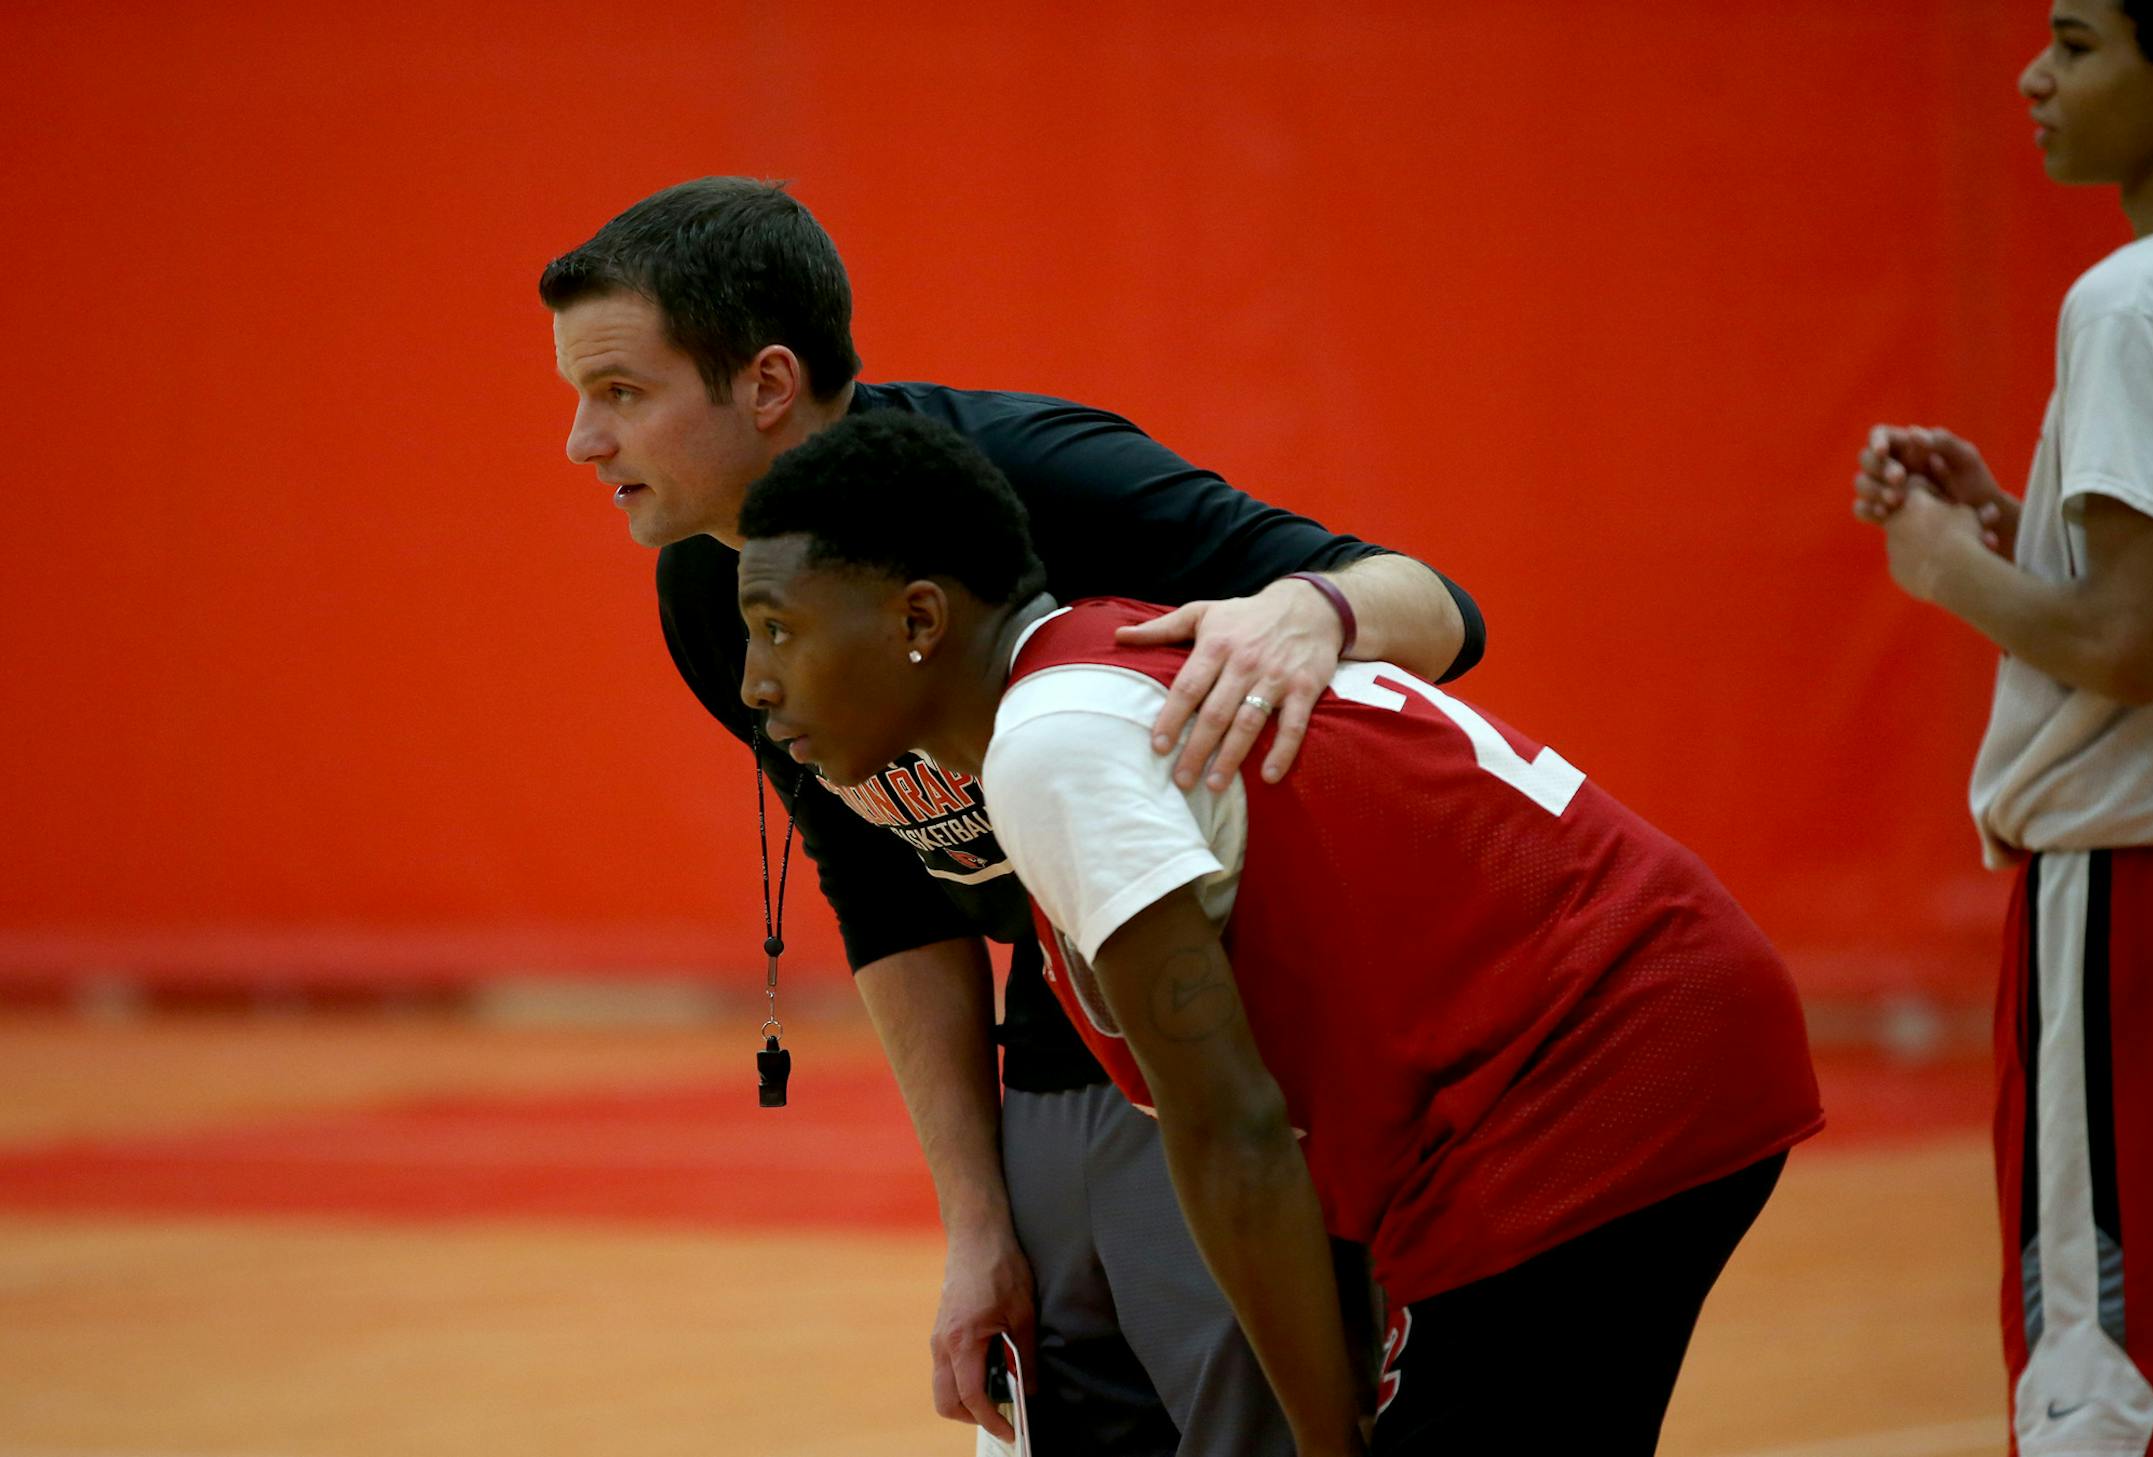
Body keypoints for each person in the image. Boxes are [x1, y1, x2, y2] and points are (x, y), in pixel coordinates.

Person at [539, 177, 1486, 1455]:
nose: (581, 442)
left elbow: (1431, 603)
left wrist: (1308, 612)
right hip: (1064, 1019)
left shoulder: (1033, 473)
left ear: (767, 384)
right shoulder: (710, 594)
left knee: (1271, 1417)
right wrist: (976, 1223)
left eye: (620, 392)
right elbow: (885, 891)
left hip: (1251, 1018)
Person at [734, 409, 1824, 1456]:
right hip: (1632, 1033)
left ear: (920, 620)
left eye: (779, 630)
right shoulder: (1095, 656)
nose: (755, 683)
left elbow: (1234, 1125)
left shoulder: (1051, 744)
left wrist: (1319, 1438)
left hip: (1603, 1064)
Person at [1852, 3, 2153, 1449]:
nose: (2035, 77)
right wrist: (2019, 521)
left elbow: (2127, 642)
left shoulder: (2127, 301)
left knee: (2099, 1362)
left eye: (2081, 41)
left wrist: (1950, 567)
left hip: (2127, 890)